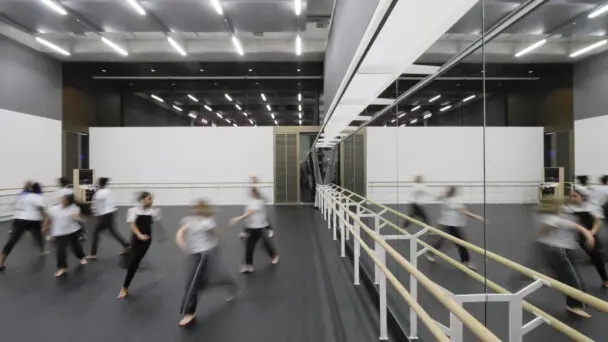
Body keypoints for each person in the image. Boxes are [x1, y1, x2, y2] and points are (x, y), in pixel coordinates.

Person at [176, 200, 239, 327]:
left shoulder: (206, 222)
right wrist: (181, 242)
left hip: (203, 255)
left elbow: (215, 234)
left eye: (200, 210)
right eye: (196, 210)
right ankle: (231, 286)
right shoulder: (189, 220)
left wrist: (215, 244)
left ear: (204, 211)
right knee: (204, 283)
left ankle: (189, 313)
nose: (197, 212)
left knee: (192, 284)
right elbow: (180, 232)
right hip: (195, 255)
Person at [536, 198, 594, 318]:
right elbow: (546, 231)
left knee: (575, 278)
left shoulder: (564, 212)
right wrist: (586, 232)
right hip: (558, 251)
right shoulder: (552, 218)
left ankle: (576, 299)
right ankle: (573, 306)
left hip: (566, 250)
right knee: (572, 280)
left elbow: (573, 221)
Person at [426, 186, 484, 270]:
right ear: (454, 192)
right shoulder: (453, 201)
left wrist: (443, 193)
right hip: (451, 225)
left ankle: (430, 252)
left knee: (445, 241)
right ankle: (465, 262)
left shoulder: (446, 198)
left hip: (449, 224)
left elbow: (437, 198)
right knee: (461, 243)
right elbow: (465, 212)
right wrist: (478, 217)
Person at [116, 192, 161, 299]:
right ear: (143, 199)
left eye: (151, 199)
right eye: (149, 199)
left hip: (147, 240)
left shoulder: (153, 212)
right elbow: (132, 224)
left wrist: (161, 235)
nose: (151, 201)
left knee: (134, 263)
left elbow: (156, 223)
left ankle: (124, 288)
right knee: (133, 262)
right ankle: (150, 268)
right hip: (136, 239)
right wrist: (139, 234)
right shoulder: (133, 210)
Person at [562, 187, 608, 288]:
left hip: (590, 233)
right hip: (577, 234)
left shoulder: (592, 206)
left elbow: (598, 220)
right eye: (571, 196)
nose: (572, 198)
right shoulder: (569, 208)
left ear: (582, 197)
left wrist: (592, 232)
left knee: (597, 255)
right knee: (594, 255)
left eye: (575, 196)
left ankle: (605, 280)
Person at [230, 187, 279, 274]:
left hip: (257, 227)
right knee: (254, 245)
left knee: (255, 245)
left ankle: (271, 257)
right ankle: (252, 264)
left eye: (251, 192)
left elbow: (250, 212)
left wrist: (237, 218)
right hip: (252, 227)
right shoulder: (252, 201)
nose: (250, 194)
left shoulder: (257, 202)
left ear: (255, 193)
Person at [0, 182, 47, 270]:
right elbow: (41, 209)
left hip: (19, 220)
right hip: (33, 220)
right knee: (39, 236)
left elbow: (16, 208)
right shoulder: (37, 197)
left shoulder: (21, 195)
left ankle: (1, 262)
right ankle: (42, 250)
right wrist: (45, 221)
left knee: (12, 241)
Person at [46, 194, 87, 277]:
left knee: (76, 247)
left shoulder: (74, 208)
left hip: (72, 231)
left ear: (69, 202)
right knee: (60, 251)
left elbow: (77, 217)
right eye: (63, 199)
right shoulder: (54, 208)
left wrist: (78, 218)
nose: (64, 201)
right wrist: (46, 226)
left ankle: (81, 257)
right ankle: (62, 268)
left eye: (66, 200)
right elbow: (48, 218)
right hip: (59, 233)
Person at [88, 177, 129, 259]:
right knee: (113, 232)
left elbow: (97, 205)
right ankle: (126, 245)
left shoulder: (99, 193)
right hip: (111, 213)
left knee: (96, 232)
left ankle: (93, 254)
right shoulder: (109, 191)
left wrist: (96, 214)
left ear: (100, 184)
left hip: (105, 215)